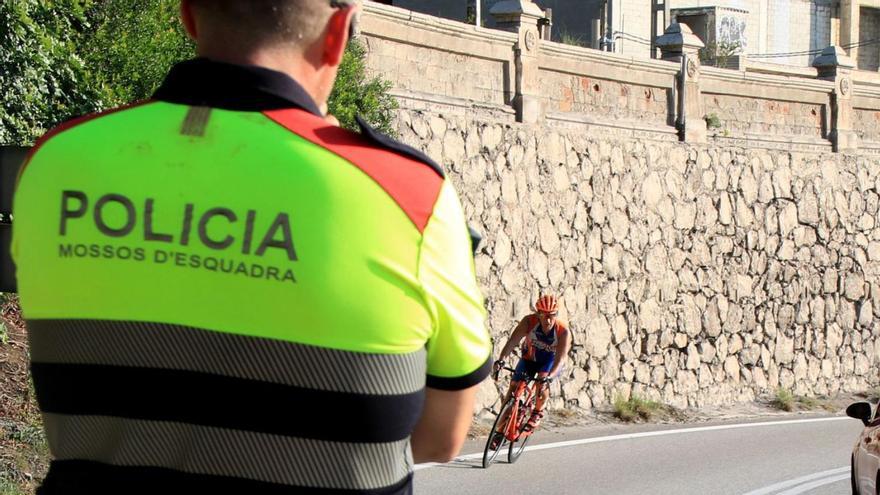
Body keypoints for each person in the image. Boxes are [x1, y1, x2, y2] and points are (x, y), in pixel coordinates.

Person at [12, 1, 492, 493]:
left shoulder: (56, 161)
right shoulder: (410, 196)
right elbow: (441, 437)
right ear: (338, 34)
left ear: (189, 17)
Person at [491, 294, 571, 444]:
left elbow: (560, 360)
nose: (548, 320)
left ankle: (537, 412)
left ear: (556, 315)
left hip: (549, 362)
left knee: (542, 382)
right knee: (513, 391)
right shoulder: (529, 322)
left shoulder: (563, 332)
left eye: (552, 315)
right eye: (544, 315)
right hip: (529, 358)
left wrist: (549, 377)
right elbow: (513, 341)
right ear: (537, 313)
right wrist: (501, 359)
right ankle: (500, 432)